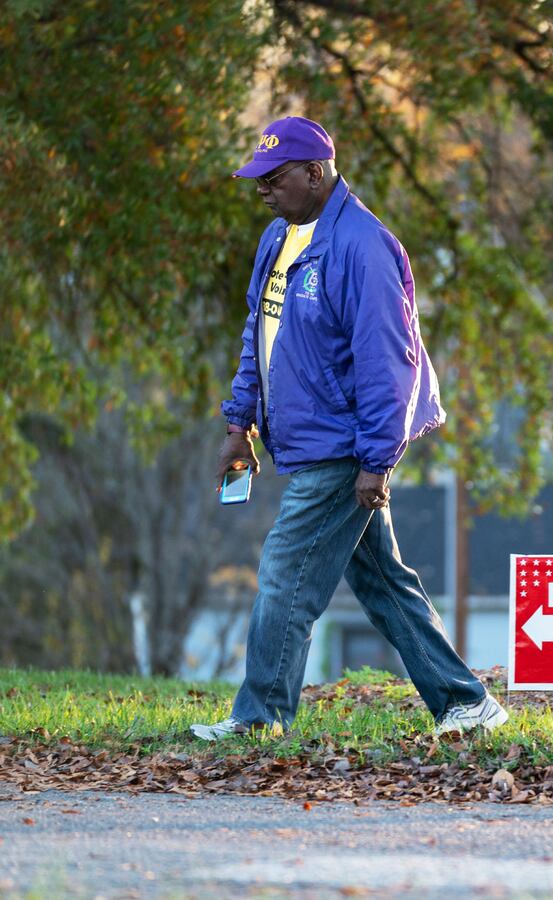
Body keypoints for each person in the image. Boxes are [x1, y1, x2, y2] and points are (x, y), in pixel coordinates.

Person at [191, 116, 507, 740]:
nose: (263, 189)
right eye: (258, 179)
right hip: (310, 442)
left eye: (274, 178)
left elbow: (389, 360)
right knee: (382, 581)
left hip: (344, 447)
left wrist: (376, 460)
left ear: (316, 173)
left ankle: (259, 721)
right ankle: (465, 702)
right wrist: (239, 423)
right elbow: (259, 336)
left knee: (285, 573)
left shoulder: (364, 246)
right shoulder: (277, 239)